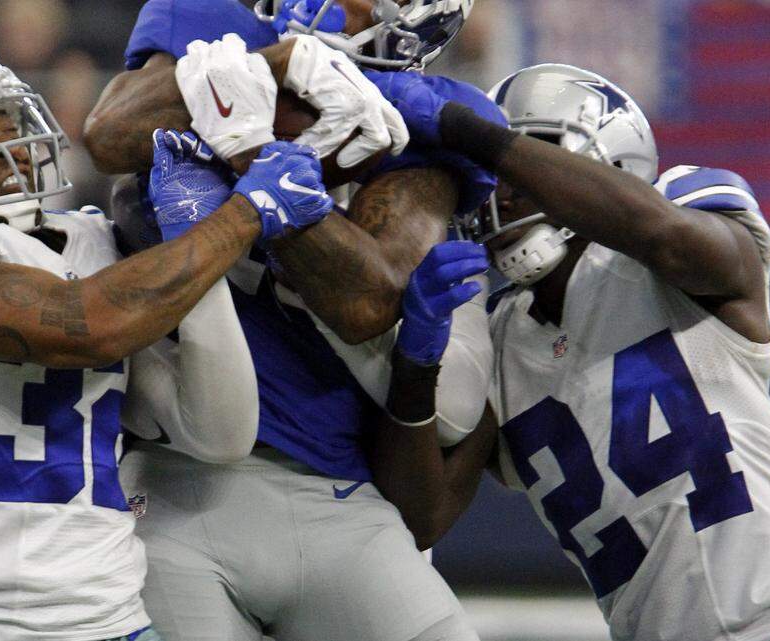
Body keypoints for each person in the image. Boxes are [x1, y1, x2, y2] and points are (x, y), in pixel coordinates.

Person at [0, 34, 337, 641]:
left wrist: (190, 230)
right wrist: (244, 216)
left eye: (6, 120)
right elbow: (84, 326)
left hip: (119, 619)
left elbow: (220, 433)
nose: (7, 145)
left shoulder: (89, 240)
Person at [86, 2, 500, 640]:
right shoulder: (211, 15)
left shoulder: (424, 108)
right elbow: (110, 133)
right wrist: (274, 65)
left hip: (337, 494)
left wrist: (249, 150)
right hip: (173, 482)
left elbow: (365, 301)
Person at [369, 62, 770, 641]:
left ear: (607, 157)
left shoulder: (676, 232)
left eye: (527, 159)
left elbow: (667, 239)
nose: (499, 189)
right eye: (483, 175)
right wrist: (416, 365)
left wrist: (474, 134)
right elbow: (425, 516)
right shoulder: (494, 341)